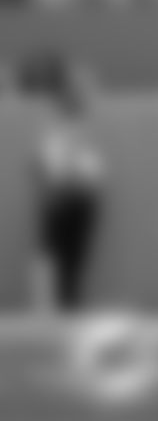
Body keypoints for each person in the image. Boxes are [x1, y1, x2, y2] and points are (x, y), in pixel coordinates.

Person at [30, 74, 105, 315]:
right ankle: (51, 308)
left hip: (78, 200)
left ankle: (66, 308)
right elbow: (46, 168)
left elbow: (92, 172)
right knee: (56, 259)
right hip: (63, 200)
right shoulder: (56, 134)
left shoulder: (80, 134)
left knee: (71, 262)